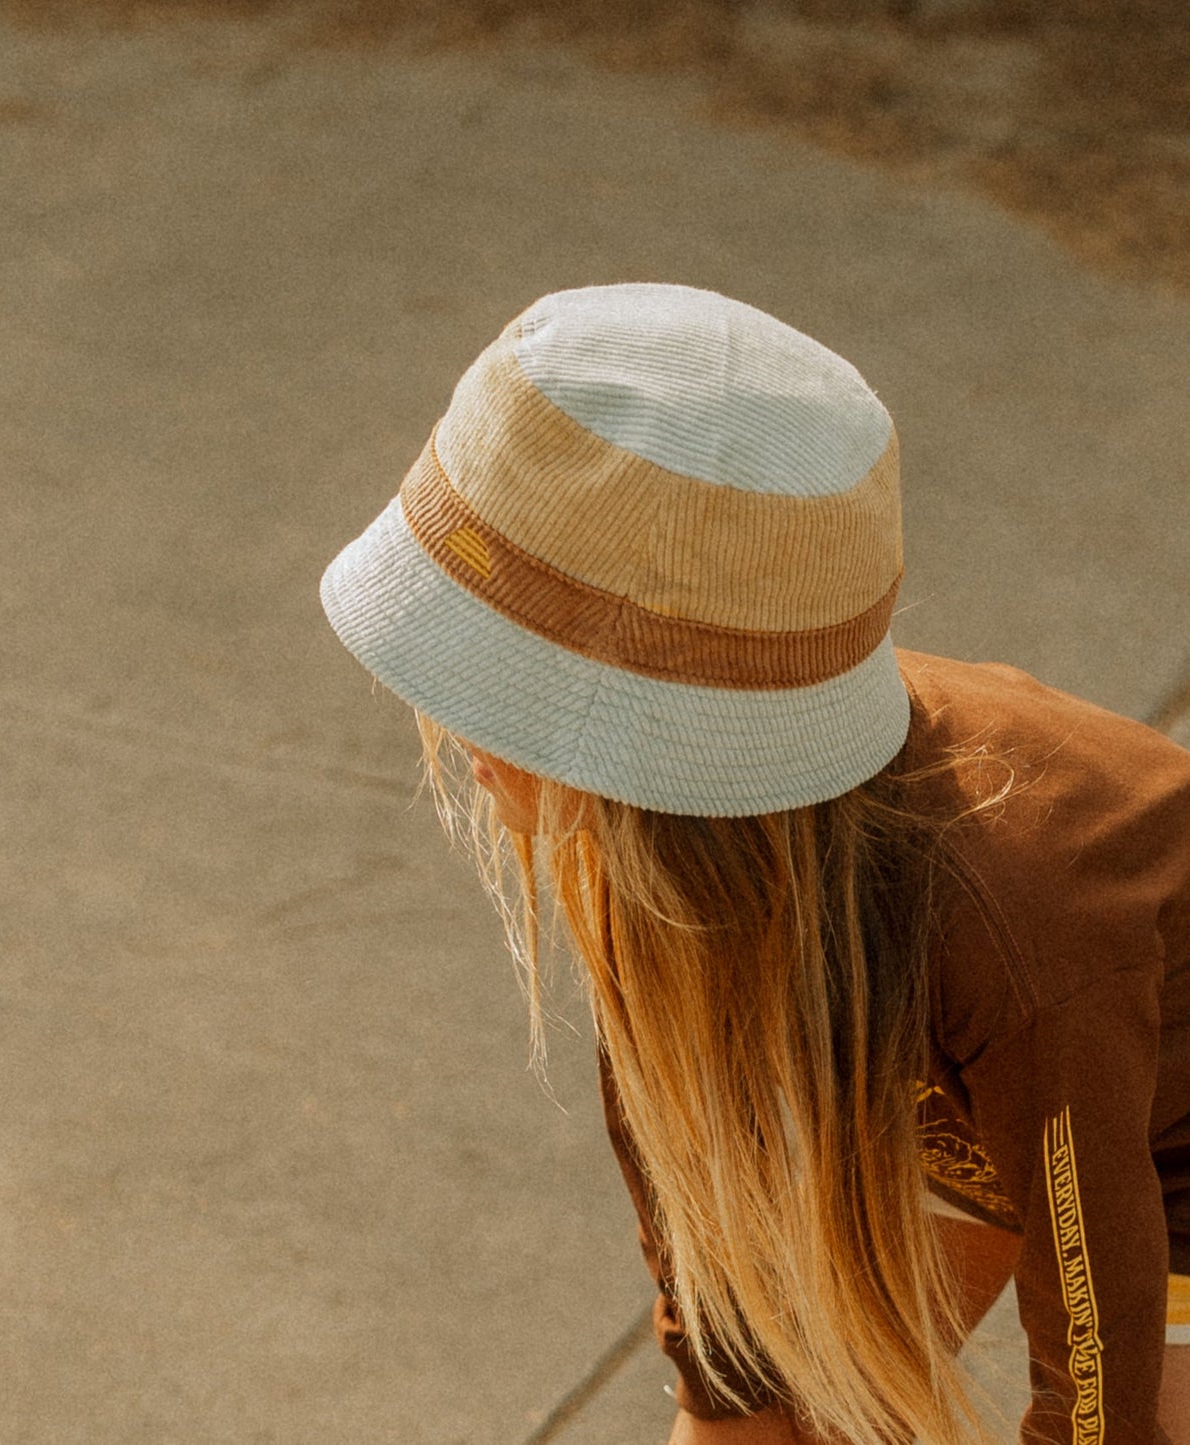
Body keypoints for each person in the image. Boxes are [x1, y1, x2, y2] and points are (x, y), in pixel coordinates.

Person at [318, 282, 1190, 1443]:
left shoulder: (1015, 929)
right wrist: (721, 1398)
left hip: (1152, 1150)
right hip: (965, 1112)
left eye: (502, 688)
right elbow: (688, 1189)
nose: (465, 734)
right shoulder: (651, 832)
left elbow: (1099, 1358)